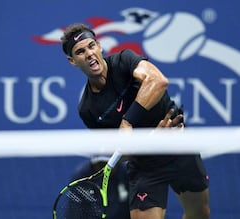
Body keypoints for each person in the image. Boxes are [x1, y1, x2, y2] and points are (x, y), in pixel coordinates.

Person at [60, 23, 210, 219]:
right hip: (144, 165)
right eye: (80, 51)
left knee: (199, 214)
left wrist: (127, 121)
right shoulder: (88, 109)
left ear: (99, 46)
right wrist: (150, 140)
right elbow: (120, 152)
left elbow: (158, 81)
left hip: (178, 146)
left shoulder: (124, 61)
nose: (88, 53)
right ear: (72, 61)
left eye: (91, 46)